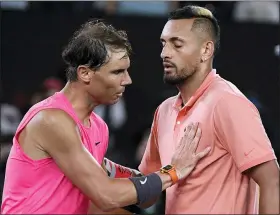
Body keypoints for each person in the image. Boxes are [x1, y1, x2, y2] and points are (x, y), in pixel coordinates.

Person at [1, 20, 211, 214]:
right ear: (85, 73)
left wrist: (169, 173)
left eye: (126, 71)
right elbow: (106, 195)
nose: (127, 80)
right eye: (117, 72)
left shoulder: (98, 126)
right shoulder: (51, 120)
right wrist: (172, 172)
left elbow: (137, 198)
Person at [138, 5, 279, 214]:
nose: (164, 53)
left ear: (206, 50)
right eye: (163, 44)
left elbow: (271, 180)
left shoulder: (228, 103)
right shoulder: (164, 111)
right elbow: (147, 196)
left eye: (177, 45)